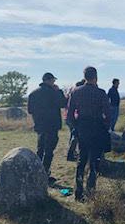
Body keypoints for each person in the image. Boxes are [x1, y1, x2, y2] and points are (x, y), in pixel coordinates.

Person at [67, 67, 110, 201]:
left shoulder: (76, 92)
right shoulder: (101, 93)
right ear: (96, 77)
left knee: (81, 160)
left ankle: (78, 192)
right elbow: (108, 115)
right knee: (94, 161)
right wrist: (105, 127)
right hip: (97, 127)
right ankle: (91, 191)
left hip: (82, 127)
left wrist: (76, 127)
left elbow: (69, 115)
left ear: (84, 76)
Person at [28, 72, 67, 179]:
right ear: (49, 81)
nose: (54, 82)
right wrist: (59, 91)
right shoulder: (53, 93)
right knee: (49, 150)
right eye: (53, 80)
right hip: (52, 125)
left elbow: (30, 110)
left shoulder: (33, 94)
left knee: (40, 149)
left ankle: (37, 171)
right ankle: (45, 173)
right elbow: (63, 103)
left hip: (40, 125)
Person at [66, 79, 85, 162]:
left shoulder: (73, 93)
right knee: (75, 137)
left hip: (71, 118)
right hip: (74, 118)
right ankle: (71, 153)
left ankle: (72, 153)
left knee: (74, 136)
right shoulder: (77, 94)